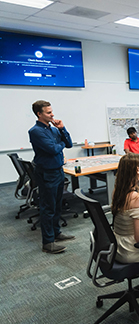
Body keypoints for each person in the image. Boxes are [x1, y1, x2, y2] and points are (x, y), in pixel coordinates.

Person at [28, 100, 74, 254]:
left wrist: (62, 129)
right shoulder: (35, 131)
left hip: (58, 170)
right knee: (48, 207)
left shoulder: (54, 130)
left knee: (57, 205)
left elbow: (68, 144)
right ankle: (48, 242)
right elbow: (53, 149)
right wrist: (59, 144)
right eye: (48, 112)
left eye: (51, 111)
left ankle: (57, 233)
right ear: (39, 114)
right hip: (47, 172)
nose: (52, 114)